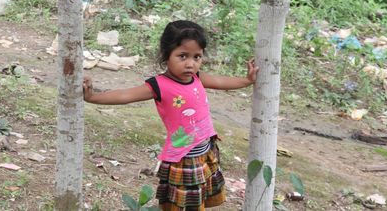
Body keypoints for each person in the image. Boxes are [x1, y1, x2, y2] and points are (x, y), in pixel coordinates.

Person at [83, 20, 258, 211]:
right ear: (166, 55)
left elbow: (221, 81)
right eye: (183, 56)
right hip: (184, 157)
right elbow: (126, 95)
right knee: (181, 204)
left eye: (197, 57)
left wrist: (246, 80)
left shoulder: (198, 77)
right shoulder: (158, 85)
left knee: (197, 199)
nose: (190, 64)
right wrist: (93, 97)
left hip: (205, 149)